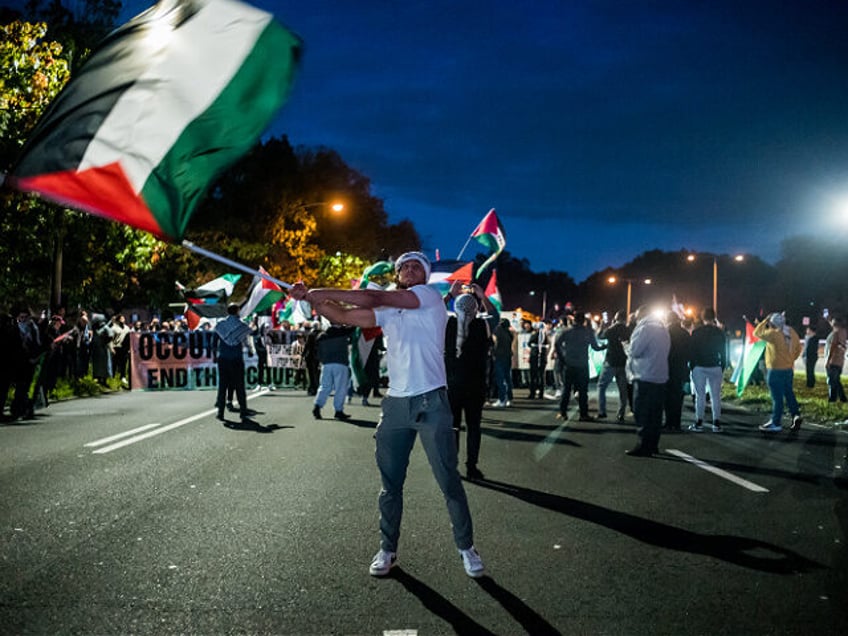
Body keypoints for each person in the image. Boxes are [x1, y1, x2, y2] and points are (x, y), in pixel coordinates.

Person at [290, 251, 484, 579]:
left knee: (448, 479)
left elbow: (371, 295)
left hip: (431, 401)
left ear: (424, 275)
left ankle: (466, 547)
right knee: (390, 484)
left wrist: (320, 290)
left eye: (415, 266)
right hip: (395, 404)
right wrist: (309, 297)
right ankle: (387, 548)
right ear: (398, 274)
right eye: (403, 267)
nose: (408, 269)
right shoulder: (389, 310)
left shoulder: (429, 297)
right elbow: (343, 316)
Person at [444, 281, 496, 480]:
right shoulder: (482, 325)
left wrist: (450, 295)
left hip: (452, 384)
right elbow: (495, 316)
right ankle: (472, 466)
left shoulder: (447, 324)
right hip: (476, 385)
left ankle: (451, 465)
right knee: (474, 427)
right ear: (476, 309)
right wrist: (482, 296)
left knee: (453, 426)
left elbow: (434, 312)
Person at [624, 305, 670, 457]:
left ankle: (643, 445)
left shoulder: (645, 328)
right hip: (660, 375)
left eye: (636, 317)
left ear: (641, 315)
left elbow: (635, 350)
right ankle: (653, 444)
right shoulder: (663, 328)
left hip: (644, 375)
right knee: (655, 414)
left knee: (642, 412)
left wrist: (626, 347)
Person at [753, 312, 803, 432]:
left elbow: (757, 333)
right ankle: (796, 414)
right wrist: (791, 359)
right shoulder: (792, 332)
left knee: (777, 398)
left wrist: (765, 320)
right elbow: (798, 349)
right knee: (789, 394)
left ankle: (776, 422)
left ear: (772, 324)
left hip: (775, 370)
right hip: (788, 369)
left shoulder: (774, 334)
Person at [554, 312, 605, 421]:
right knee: (583, 390)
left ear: (573, 320)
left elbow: (557, 344)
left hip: (569, 363)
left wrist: (562, 358)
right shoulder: (588, 332)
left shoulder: (566, 331)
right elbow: (595, 347)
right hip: (582, 364)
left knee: (566, 389)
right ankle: (583, 414)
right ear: (584, 321)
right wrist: (604, 347)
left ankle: (563, 413)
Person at [687, 308, 727, 432]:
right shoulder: (719, 332)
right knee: (716, 396)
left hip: (699, 366)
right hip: (715, 365)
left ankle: (699, 422)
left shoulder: (697, 332)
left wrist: (692, 365)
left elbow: (692, 350)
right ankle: (716, 423)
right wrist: (722, 366)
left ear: (703, 318)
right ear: (714, 317)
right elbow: (723, 351)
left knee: (700, 396)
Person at [214, 303, 254, 421]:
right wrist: (250, 350)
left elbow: (214, 340)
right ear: (237, 311)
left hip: (223, 358)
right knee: (239, 386)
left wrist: (214, 354)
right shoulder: (241, 326)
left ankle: (220, 412)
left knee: (223, 386)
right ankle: (243, 411)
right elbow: (246, 338)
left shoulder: (221, 325)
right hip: (236, 358)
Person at [311, 322, 355, 420]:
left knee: (325, 386)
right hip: (340, 362)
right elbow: (354, 326)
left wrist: (322, 360)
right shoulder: (343, 332)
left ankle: (317, 406)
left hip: (326, 364)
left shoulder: (321, 335)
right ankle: (338, 411)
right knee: (340, 388)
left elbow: (317, 351)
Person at [597, 311, 630, 422]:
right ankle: (621, 413)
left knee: (601, 386)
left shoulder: (611, 329)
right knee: (622, 390)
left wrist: (602, 327)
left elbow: (600, 336)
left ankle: (602, 411)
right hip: (623, 362)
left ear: (616, 318)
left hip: (610, 361)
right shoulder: (628, 330)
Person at [664, 314, 691, 432]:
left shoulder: (665, 332)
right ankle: (677, 423)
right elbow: (690, 351)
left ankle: (668, 422)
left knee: (667, 397)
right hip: (681, 369)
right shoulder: (685, 334)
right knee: (678, 398)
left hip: (667, 368)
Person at [491, 317, 514, 407]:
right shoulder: (508, 333)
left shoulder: (497, 330)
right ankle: (510, 398)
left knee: (500, 378)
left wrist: (493, 352)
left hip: (499, 356)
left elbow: (495, 341)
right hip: (507, 356)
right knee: (507, 377)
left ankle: (502, 399)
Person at [824, 315, 847, 403]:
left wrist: (828, 360)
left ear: (835, 324)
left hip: (833, 360)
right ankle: (842, 398)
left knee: (832, 381)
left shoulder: (835, 333)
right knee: (836, 380)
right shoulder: (843, 332)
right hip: (840, 361)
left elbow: (833, 346)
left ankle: (832, 398)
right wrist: (828, 319)